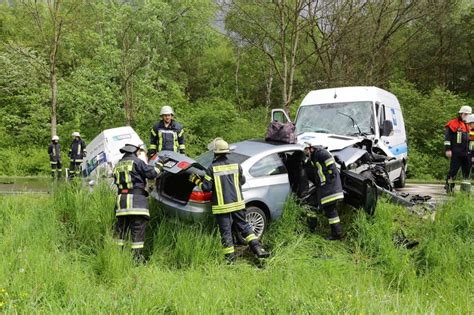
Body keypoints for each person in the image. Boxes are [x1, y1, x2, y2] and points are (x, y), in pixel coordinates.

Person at [188, 138, 270, 263]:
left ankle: (230, 260)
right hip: (238, 203)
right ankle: (258, 249)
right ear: (227, 152)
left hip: (222, 207)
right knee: (244, 226)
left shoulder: (212, 168)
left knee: (226, 232)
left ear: (215, 153)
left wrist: (195, 180)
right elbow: (242, 181)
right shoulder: (236, 165)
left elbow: (206, 188)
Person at [112, 143, 167, 262]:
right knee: (137, 230)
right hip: (136, 202)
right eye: (138, 152)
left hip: (121, 202)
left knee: (121, 231)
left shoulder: (117, 165)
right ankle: (137, 259)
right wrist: (161, 163)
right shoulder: (136, 162)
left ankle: (116, 258)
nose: (138, 153)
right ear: (134, 151)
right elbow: (152, 173)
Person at [304, 143, 344, 240]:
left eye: (306, 150)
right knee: (312, 204)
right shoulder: (314, 157)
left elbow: (332, 169)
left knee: (330, 210)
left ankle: (337, 234)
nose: (305, 153)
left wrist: (327, 181)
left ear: (311, 148)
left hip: (330, 187)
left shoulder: (322, 153)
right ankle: (311, 228)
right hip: (323, 187)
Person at [444, 106, 472, 194]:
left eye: (469, 114)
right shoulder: (452, 124)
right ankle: (449, 188)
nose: (467, 116)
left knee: (466, 172)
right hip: (456, 152)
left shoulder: (470, 125)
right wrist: (448, 149)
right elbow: (447, 139)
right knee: (453, 171)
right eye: (466, 114)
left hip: (467, 153)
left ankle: (465, 191)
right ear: (461, 114)